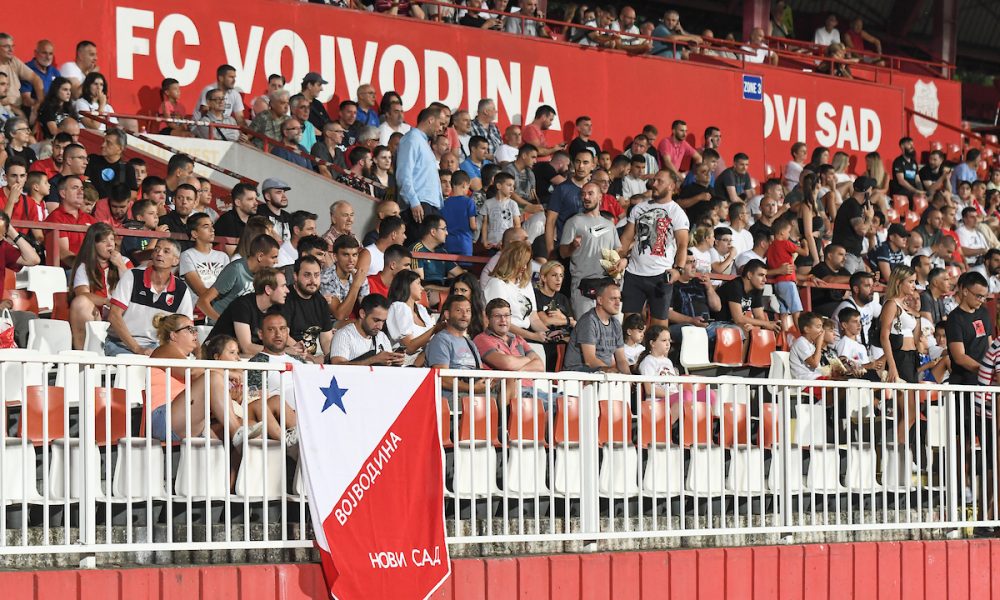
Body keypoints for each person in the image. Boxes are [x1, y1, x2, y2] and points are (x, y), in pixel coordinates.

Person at [148, 322, 250, 445]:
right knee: (212, 377)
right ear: (173, 335)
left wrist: (232, 398)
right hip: (163, 417)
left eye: (195, 329)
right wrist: (228, 373)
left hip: (189, 419)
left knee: (248, 427)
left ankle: (240, 442)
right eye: (190, 329)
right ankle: (237, 433)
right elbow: (192, 372)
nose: (196, 333)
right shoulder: (164, 349)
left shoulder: (192, 361)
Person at [618, 170, 690, 327]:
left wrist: (678, 269)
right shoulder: (639, 208)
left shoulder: (677, 212)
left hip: (660, 275)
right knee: (630, 325)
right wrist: (617, 258)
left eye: (660, 181)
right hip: (634, 273)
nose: (654, 184)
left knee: (659, 327)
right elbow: (626, 239)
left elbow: (682, 244)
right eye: (654, 180)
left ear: (671, 186)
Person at [106, 239, 194, 356]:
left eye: (166, 251)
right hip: (120, 343)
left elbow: (187, 326)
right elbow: (114, 316)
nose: (159, 253)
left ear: (176, 261)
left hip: (156, 347)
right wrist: (137, 348)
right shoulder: (132, 276)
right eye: (156, 249)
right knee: (138, 365)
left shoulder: (181, 289)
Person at [878, 265, 922, 443]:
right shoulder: (891, 304)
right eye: (910, 282)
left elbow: (915, 338)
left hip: (911, 358)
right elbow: (884, 336)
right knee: (909, 413)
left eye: (914, 282)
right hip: (900, 359)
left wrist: (917, 316)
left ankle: (899, 448)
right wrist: (893, 367)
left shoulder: (905, 306)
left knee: (909, 413)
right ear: (899, 282)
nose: (914, 286)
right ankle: (896, 450)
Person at [68, 222, 129, 349]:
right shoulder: (85, 267)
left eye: (112, 239)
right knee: (80, 303)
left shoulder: (124, 262)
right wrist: (106, 301)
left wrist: (120, 266)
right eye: (104, 241)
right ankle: (83, 354)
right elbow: (82, 294)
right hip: (97, 314)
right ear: (94, 245)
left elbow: (133, 289)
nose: (110, 244)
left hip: (122, 314)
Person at [483, 241, 551, 350]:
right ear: (511, 261)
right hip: (507, 337)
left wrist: (549, 333)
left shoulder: (525, 284)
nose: (524, 267)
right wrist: (533, 336)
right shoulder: (497, 284)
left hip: (527, 336)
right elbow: (501, 322)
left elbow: (534, 318)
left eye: (527, 263)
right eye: (522, 262)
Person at [198, 234, 280, 322]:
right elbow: (202, 302)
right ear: (260, 256)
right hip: (219, 326)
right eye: (273, 257)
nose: (276, 262)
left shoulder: (262, 275)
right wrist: (222, 322)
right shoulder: (235, 270)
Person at [210, 267, 288, 357]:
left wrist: (297, 349)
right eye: (283, 286)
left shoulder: (276, 308)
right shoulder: (242, 305)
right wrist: (285, 351)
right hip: (217, 357)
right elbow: (247, 348)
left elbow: (284, 336)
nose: (287, 290)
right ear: (268, 290)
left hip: (241, 358)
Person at [563, 280, 630, 373]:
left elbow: (621, 360)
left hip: (603, 373)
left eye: (619, 298)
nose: (618, 303)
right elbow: (590, 361)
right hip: (578, 373)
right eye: (613, 299)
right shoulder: (588, 321)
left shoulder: (616, 324)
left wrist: (629, 378)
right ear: (600, 300)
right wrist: (613, 373)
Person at [397, 105, 446, 232]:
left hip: (429, 206)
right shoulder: (412, 139)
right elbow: (403, 175)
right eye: (440, 124)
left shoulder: (423, 142)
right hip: (419, 206)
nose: (441, 129)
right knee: (417, 243)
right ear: (431, 120)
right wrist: (414, 201)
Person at [278, 255, 333, 362]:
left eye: (316, 275)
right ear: (295, 276)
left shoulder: (321, 301)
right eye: (307, 275)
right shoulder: (285, 298)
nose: (313, 280)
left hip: (313, 359)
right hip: (289, 358)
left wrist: (331, 359)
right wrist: (312, 359)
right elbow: (284, 337)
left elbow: (327, 339)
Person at [384, 269, 440, 366]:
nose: (422, 288)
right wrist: (435, 329)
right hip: (405, 363)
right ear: (406, 285)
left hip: (427, 359)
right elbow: (409, 348)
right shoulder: (399, 307)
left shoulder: (421, 310)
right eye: (418, 283)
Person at [329, 293, 405, 366]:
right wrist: (373, 360)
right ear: (362, 314)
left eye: (383, 321)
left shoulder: (382, 337)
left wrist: (394, 362)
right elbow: (337, 366)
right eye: (376, 320)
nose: (380, 327)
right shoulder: (344, 335)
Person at [710, 260, 781, 335]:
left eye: (765, 276)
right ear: (749, 275)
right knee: (742, 329)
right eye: (761, 275)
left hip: (733, 324)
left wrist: (754, 327)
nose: (765, 280)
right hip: (716, 323)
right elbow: (738, 318)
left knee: (749, 329)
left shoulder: (757, 289)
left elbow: (759, 316)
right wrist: (766, 324)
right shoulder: (735, 286)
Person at [43, 174, 96, 267]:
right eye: (75, 188)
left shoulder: (91, 219)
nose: (81, 192)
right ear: (63, 193)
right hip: (70, 270)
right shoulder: (55, 218)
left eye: (82, 188)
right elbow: (63, 253)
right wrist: (84, 269)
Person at [322, 234, 369, 324]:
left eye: (354, 255)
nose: (351, 260)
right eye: (346, 255)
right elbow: (339, 315)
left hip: (350, 323)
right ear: (335, 256)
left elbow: (367, 309)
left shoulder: (359, 276)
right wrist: (356, 285)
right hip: (328, 325)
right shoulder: (326, 278)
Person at [214, 183, 259, 254]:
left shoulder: (255, 221)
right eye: (250, 199)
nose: (256, 203)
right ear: (238, 202)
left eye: (256, 199)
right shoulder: (227, 219)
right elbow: (232, 253)